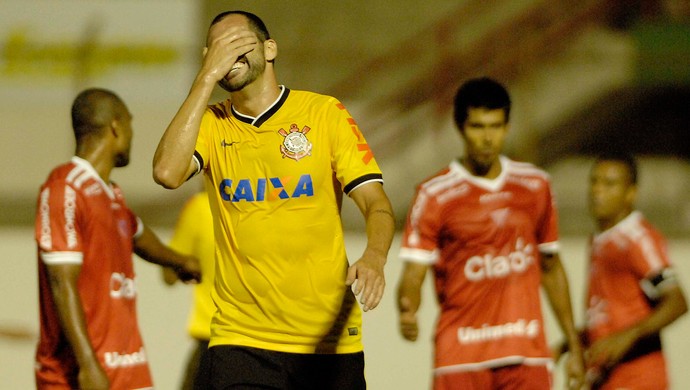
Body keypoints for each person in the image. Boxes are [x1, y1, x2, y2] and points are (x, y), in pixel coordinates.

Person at [152, 10, 395, 389]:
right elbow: (166, 173)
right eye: (217, 49)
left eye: (237, 43)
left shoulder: (323, 114)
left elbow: (375, 203)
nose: (227, 55)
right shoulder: (211, 124)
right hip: (241, 340)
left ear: (269, 49)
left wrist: (375, 258)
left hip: (327, 342)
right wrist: (204, 79)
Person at [396, 77, 585, 390]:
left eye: (495, 126)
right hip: (462, 353)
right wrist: (407, 308)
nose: (487, 138)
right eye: (478, 127)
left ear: (507, 127)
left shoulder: (535, 185)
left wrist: (574, 345)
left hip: (525, 351)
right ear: (460, 128)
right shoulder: (434, 195)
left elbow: (551, 268)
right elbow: (414, 271)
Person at [34, 88, 201, 390]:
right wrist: (88, 364)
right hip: (78, 374)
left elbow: (136, 234)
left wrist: (181, 261)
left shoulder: (111, 194)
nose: (132, 135)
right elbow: (61, 282)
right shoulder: (65, 189)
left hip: (127, 364)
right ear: (116, 126)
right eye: (130, 125)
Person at [581, 152, 688, 389]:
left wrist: (628, 336)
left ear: (631, 193)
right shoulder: (600, 239)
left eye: (609, 184)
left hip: (638, 378)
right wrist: (570, 345)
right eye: (594, 181)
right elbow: (608, 314)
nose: (597, 191)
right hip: (607, 378)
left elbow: (677, 301)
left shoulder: (637, 238)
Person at [161, 190, 215, 390]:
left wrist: (186, 265)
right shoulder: (277, 203)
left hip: (213, 339)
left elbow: (168, 275)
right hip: (274, 342)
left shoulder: (202, 206)